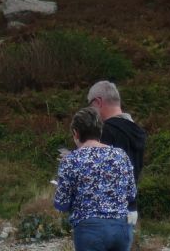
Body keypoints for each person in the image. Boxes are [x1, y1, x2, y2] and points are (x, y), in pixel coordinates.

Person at [55, 107, 136, 251]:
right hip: (121, 228)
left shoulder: (71, 160)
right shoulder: (121, 155)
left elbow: (62, 203)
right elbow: (131, 194)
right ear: (100, 131)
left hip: (89, 230)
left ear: (76, 133)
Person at [88, 81, 146, 231]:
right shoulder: (137, 131)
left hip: (108, 213)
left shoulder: (106, 131)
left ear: (98, 102)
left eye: (90, 105)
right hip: (131, 209)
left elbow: (99, 174)